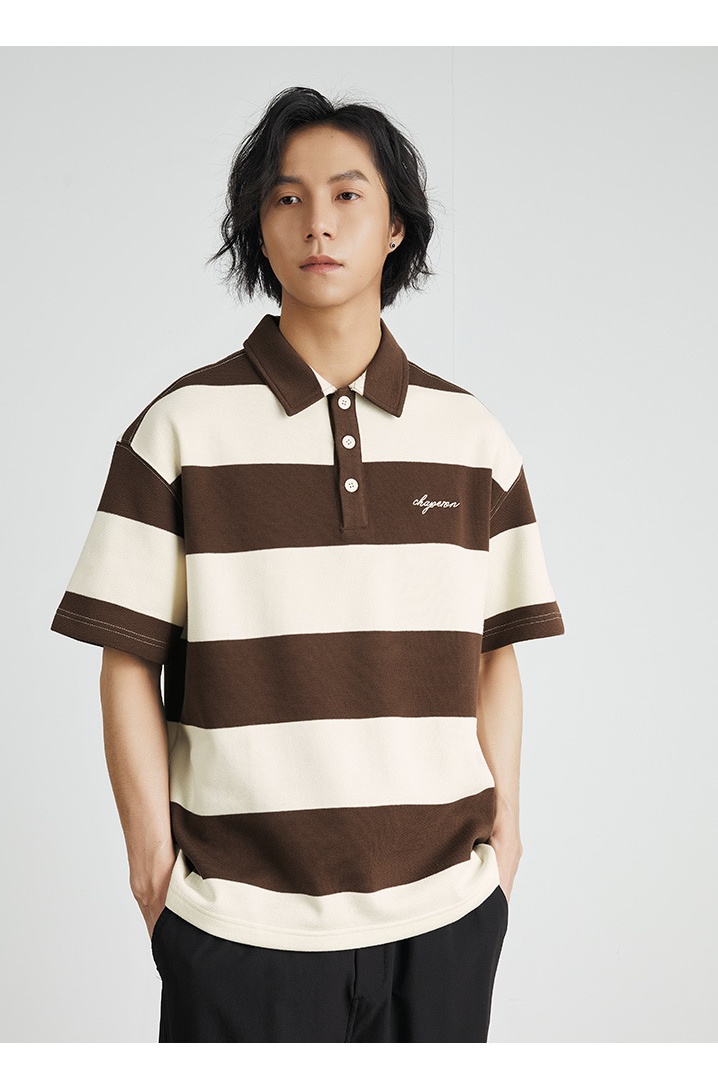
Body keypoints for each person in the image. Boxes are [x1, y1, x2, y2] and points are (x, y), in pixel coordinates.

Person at [50, 85, 565, 1043]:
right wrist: (153, 870)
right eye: (287, 198)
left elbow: (496, 655)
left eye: (346, 195)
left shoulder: (473, 439)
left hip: (445, 918)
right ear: (259, 226)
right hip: (237, 928)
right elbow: (126, 660)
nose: (316, 223)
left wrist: (506, 845)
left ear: (397, 226)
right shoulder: (179, 430)